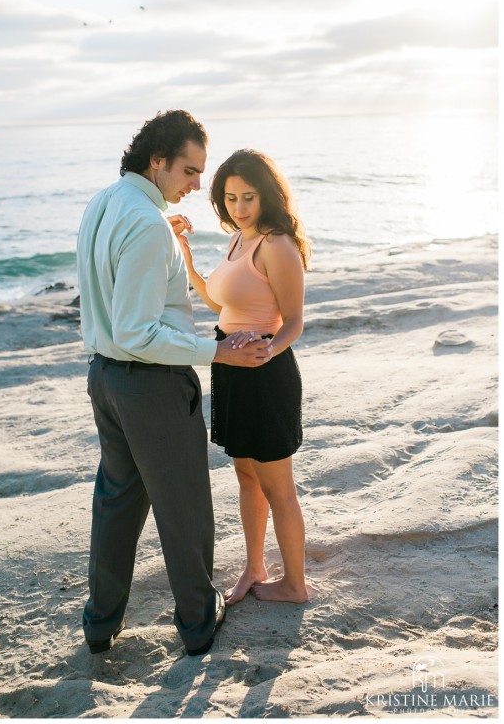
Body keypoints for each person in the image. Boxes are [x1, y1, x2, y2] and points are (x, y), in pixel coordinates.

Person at [76, 111, 274, 657]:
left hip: (105, 380)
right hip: (151, 386)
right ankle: (196, 623)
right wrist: (219, 352)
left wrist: (165, 242)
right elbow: (139, 332)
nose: (196, 184)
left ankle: (99, 623)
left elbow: (116, 294)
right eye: (189, 170)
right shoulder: (145, 223)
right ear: (156, 161)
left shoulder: (107, 202)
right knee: (183, 506)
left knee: (116, 503)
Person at [178, 148, 311, 605]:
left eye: (248, 197)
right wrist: (187, 260)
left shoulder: (276, 244)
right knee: (246, 479)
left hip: (265, 374)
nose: (239, 207)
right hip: (231, 372)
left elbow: (293, 320)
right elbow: (224, 307)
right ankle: (255, 567)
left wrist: (269, 350)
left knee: (278, 488)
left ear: (267, 195)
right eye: (231, 198)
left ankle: (295, 585)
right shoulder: (238, 240)